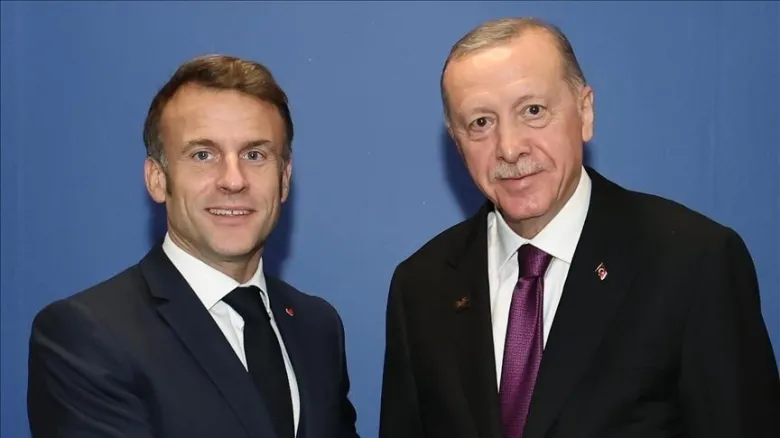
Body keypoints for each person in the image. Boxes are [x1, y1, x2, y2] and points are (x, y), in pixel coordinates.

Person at [379, 17, 780, 438]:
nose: (509, 148)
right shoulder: (420, 288)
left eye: (533, 111)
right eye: (481, 122)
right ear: (457, 143)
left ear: (585, 111)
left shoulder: (693, 263)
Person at [27, 54, 359, 438]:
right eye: (203, 155)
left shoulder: (317, 327)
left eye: (254, 155)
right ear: (157, 179)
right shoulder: (87, 335)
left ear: (284, 179)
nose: (233, 180)